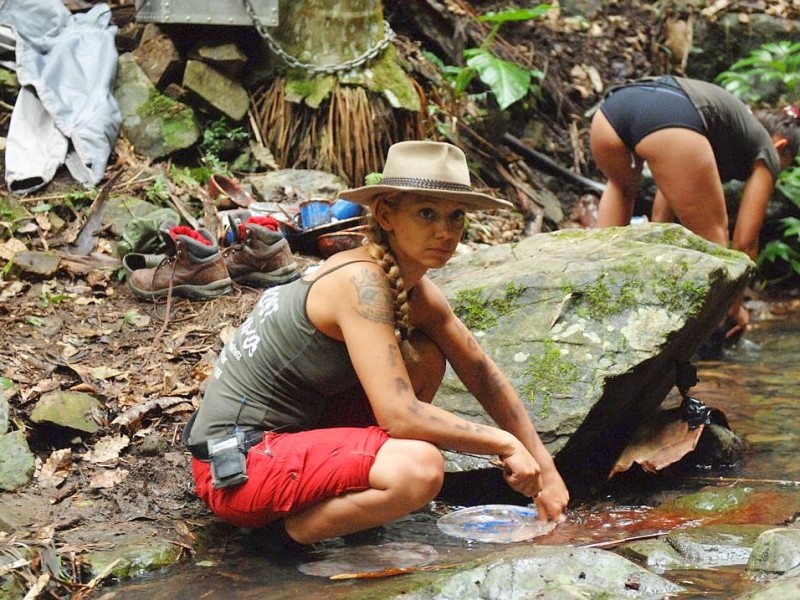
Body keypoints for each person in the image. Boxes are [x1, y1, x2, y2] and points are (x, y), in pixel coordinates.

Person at [182, 140, 569, 547]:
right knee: (419, 469)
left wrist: (547, 468)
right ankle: (282, 537)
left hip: (291, 442)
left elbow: (481, 373)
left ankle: (353, 503)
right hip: (237, 467)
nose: (445, 232)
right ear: (386, 214)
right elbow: (399, 417)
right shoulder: (360, 283)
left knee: (427, 354)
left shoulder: (414, 290)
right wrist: (504, 444)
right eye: (426, 213)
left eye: (456, 217)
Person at [590, 75, 800, 336]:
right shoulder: (767, 148)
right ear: (781, 145)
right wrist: (733, 306)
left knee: (622, 189)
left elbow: (660, 218)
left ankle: (594, 293)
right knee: (715, 240)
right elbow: (744, 242)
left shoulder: (717, 132)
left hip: (612, 112)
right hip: (669, 114)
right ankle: (702, 336)